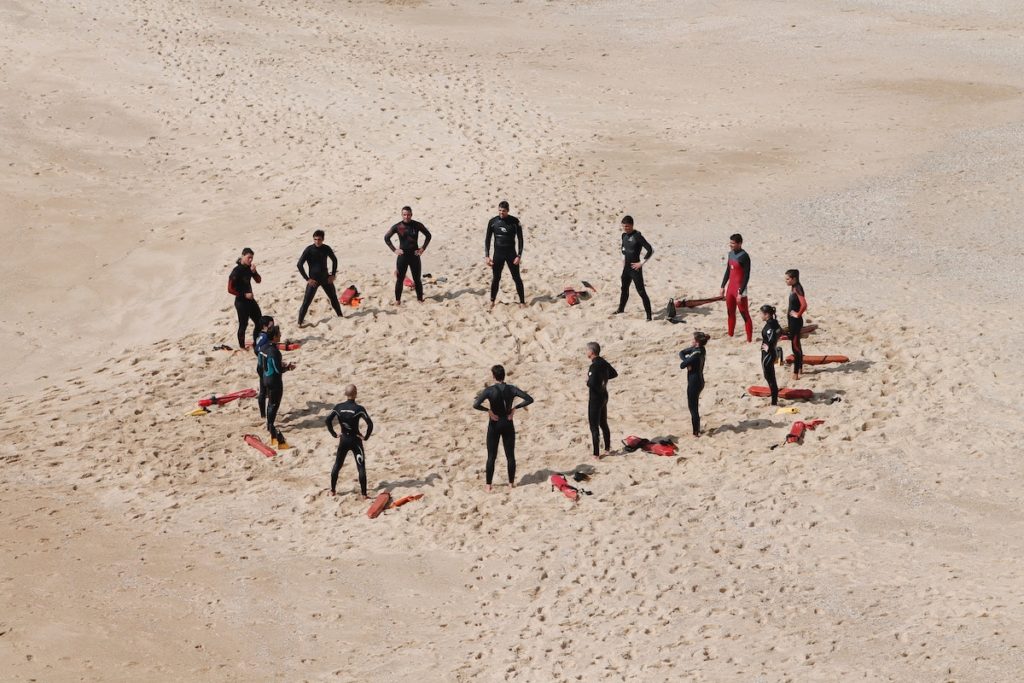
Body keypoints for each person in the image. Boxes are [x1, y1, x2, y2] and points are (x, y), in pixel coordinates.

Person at [472, 365, 534, 492]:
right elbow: (529, 399)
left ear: (493, 376)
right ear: (504, 375)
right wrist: (514, 409)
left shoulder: (489, 390)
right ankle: (511, 483)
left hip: (494, 423)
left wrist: (488, 410)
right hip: (507, 423)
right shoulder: (511, 389)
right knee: (510, 455)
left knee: (491, 456)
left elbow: (476, 405)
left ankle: (488, 485)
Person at [326, 384, 374, 499]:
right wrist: (365, 437)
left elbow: (327, 420)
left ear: (345, 394)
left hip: (343, 440)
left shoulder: (338, 407)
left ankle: (332, 490)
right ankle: (363, 494)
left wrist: (334, 434)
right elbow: (370, 424)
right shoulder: (359, 409)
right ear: (356, 393)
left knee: (337, 465)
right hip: (356, 440)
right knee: (361, 467)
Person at [385, 206, 432, 305]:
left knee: (417, 279)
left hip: (414, 256)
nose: (406, 217)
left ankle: (420, 299)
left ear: (411, 214)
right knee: (400, 279)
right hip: (403, 257)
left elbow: (428, 235)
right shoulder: (397, 227)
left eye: (408, 214)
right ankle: (398, 301)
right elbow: (386, 238)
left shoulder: (417, 225)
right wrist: (394, 250)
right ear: (402, 215)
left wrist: (422, 248)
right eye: (404, 214)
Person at [296, 229, 343, 326]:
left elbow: (334, 260)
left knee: (333, 298)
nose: (317, 241)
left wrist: (333, 274)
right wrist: (307, 279)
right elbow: (299, 264)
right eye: (315, 239)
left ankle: (340, 316)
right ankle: (299, 323)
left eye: (319, 239)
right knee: (306, 302)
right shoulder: (309, 250)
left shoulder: (326, 248)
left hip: (325, 279)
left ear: (323, 239)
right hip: (314, 281)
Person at [484, 200, 526, 310]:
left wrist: (519, 256)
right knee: (496, 278)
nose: (501, 213)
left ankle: (522, 302)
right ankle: (492, 301)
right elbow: (487, 239)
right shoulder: (493, 222)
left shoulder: (515, 222)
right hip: (498, 254)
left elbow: (520, 239)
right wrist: (487, 256)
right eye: (500, 210)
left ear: (508, 211)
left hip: (511, 254)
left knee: (516, 278)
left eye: (504, 211)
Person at [259, 325, 295, 448]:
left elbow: (260, 364)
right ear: (274, 337)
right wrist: (288, 367)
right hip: (274, 381)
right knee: (274, 404)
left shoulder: (263, 348)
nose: (280, 336)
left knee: (269, 403)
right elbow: (278, 370)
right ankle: (270, 425)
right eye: (279, 334)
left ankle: (269, 423)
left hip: (265, 378)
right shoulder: (275, 352)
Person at [615, 215, 653, 320]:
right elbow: (623, 249)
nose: (625, 228)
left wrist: (641, 263)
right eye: (623, 226)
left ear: (632, 225)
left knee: (641, 292)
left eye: (627, 226)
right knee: (624, 289)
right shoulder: (623, 236)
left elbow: (650, 250)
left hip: (635, 269)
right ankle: (621, 309)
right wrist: (623, 260)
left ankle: (649, 316)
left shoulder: (638, 236)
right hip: (626, 268)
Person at [585, 342, 618, 458]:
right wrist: (603, 378)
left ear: (591, 352)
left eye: (587, 350)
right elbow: (614, 374)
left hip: (595, 398)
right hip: (604, 395)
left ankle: (596, 454)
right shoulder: (604, 362)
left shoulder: (594, 366)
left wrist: (588, 380)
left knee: (594, 426)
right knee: (603, 423)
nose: (586, 352)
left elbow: (591, 383)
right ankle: (607, 449)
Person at [719, 234, 752, 342]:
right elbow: (728, 271)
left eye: (733, 243)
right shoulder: (730, 254)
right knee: (730, 312)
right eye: (730, 243)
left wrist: (740, 292)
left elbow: (746, 276)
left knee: (744, 314)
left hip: (740, 289)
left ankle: (749, 339)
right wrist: (722, 286)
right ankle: (730, 335)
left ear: (739, 243)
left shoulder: (744, 256)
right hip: (730, 289)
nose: (730, 245)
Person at [228, 248, 263, 349]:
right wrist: (244, 295)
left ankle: (256, 343)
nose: (250, 260)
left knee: (259, 321)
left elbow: (258, 280)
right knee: (243, 325)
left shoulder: (249, 268)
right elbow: (230, 289)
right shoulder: (236, 271)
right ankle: (242, 347)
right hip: (241, 302)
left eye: (252, 258)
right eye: (249, 258)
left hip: (250, 301)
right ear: (242, 256)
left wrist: (254, 272)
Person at [679, 331, 710, 437]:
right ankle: (696, 429)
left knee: (693, 408)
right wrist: (687, 361)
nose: (691, 341)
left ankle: (696, 432)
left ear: (696, 342)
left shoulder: (696, 354)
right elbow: (681, 352)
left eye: (693, 339)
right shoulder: (699, 349)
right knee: (693, 407)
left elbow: (682, 365)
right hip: (699, 380)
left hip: (694, 383)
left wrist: (687, 362)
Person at [785, 269, 808, 380]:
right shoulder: (794, 287)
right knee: (797, 344)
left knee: (795, 346)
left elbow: (804, 305)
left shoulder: (798, 288)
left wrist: (798, 314)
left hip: (795, 322)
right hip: (791, 321)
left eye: (788, 279)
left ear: (794, 279)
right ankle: (800, 368)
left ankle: (796, 373)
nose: (786, 281)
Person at [759, 305, 782, 406]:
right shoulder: (774, 322)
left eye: (761, 313)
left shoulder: (770, 326)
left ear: (767, 314)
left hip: (768, 355)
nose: (760, 315)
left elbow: (772, 337)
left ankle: (774, 402)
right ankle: (774, 399)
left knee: (769, 377)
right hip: (771, 354)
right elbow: (780, 331)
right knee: (770, 377)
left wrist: (769, 347)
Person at [253, 315, 275, 418]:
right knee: (264, 391)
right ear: (265, 326)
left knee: (263, 391)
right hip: (264, 366)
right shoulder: (264, 337)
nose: (273, 326)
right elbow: (257, 349)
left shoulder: (261, 335)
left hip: (261, 364)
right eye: (271, 324)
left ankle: (263, 414)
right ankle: (264, 414)